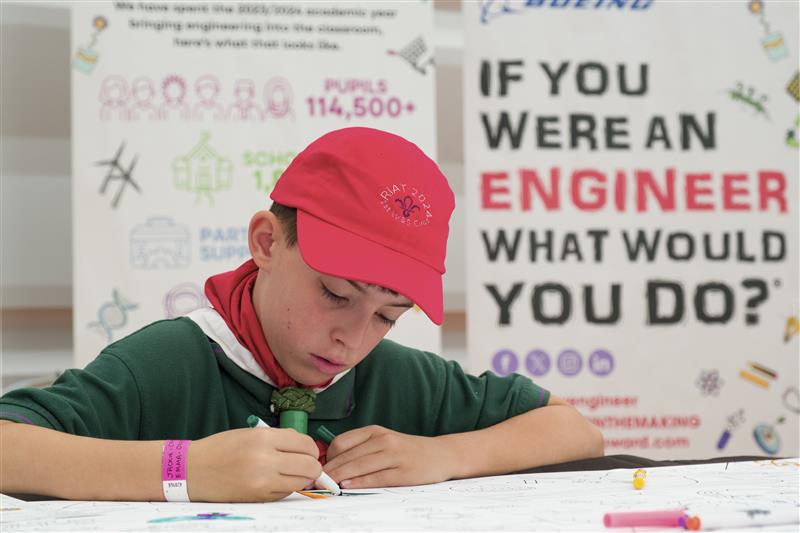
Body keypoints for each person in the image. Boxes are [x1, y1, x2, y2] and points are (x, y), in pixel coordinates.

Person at [0, 127, 603, 503]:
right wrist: (183, 468)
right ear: (267, 243)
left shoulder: (401, 378)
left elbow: (577, 431)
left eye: (387, 316)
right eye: (336, 295)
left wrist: (443, 455)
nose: (352, 338)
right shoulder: (167, 364)